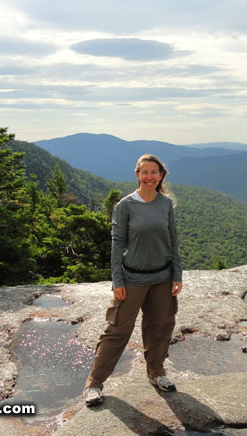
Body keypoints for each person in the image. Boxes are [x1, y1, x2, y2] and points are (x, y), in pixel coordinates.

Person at [83, 154, 183, 407]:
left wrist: (177, 274)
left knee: (161, 326)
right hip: (132, 278)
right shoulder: (125, 206)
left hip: (162, 276)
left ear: (161, 175)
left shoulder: (165, 204)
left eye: (154, 172)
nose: (149, 177)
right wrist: (117, 280)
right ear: (137, 175)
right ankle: (94, 384)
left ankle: (157, 373)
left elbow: (173, 240)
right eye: (144, 172)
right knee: (117, 331)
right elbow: (117, 244)